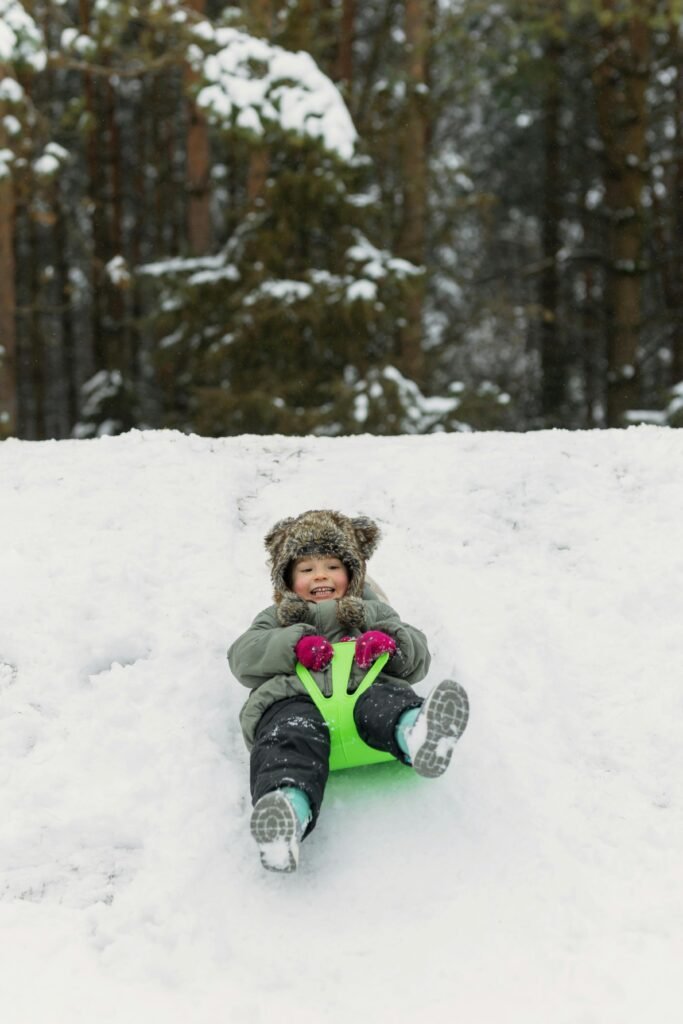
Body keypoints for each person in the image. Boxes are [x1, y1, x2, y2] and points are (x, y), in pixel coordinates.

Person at [228, 509, 469, 872]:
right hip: (295, 699)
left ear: (353, 574)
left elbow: (417, 661)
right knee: (288, 734)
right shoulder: (275, 618)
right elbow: (243, 658)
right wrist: (293, 644)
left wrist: (389, 643)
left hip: (363, 693)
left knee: (385, 702)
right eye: (306, 569)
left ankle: (417, 734)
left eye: (332, 567)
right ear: (288, 581)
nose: (320, 575)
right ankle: (287, 811)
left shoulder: (373, 611)